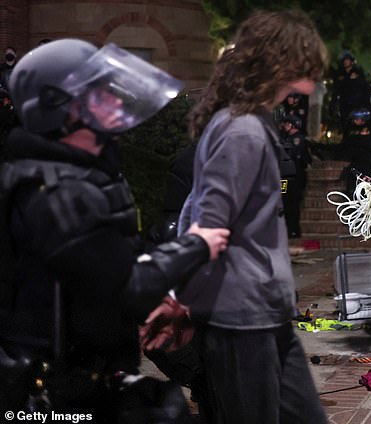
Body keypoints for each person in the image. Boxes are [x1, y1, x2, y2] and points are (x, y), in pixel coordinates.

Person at [0, 39, 230, 421]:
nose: (115, 106)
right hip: (47, 391)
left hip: (87, 377)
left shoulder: (76, 173)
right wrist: (197, 245)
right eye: (97, 97)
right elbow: (126, 281)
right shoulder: (57, 189)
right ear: (59, 108)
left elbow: (110, 261)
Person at [152, 10, 328, 424]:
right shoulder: (242, 132)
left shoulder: (248, 124)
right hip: (242, 320)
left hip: (263, 314)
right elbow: (207, 225)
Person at [280, 114, 311, 238]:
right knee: (284, 202)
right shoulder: (285, 138)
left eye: (288, 124)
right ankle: (287, 229)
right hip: (284, 177)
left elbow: (298, 159)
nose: (285, 126)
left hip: (294, 178)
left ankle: (293, 230)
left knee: (292, 203)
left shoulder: (298, 140)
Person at [330, 50, 371, 133]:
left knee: (358, 127)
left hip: (357, 104)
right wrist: (332, 105)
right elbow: (336, 90)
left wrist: (366, 105)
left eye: (347, 60)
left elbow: (365, 88)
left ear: (351, 61)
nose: (345, 62)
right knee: (345, 126)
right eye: (344, 60)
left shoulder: (358, 72)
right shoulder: (339, 74)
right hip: (344, 104)